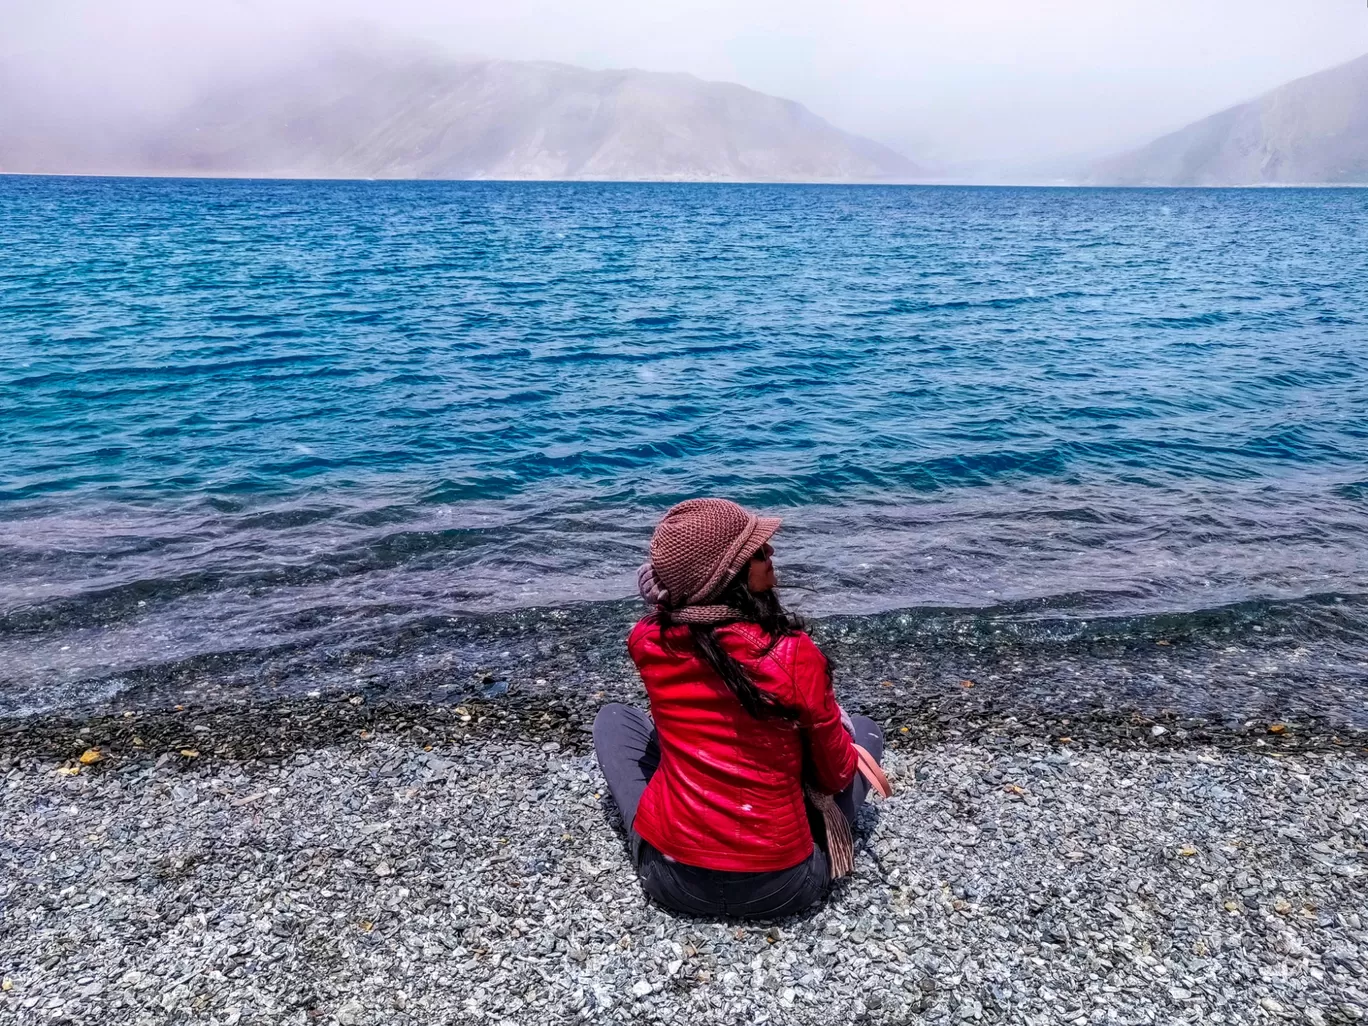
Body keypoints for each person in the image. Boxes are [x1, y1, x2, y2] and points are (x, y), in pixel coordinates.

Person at [593, 498, 888, 919]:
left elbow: (666, 614)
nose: (772, 556)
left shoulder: (647, 640)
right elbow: (835, 774)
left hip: (671, 879)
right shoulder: (791, 653)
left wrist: (672, 589)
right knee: (864, 731)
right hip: (785, 885)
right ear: (729, 577)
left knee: (615, 720)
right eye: (759, 552)